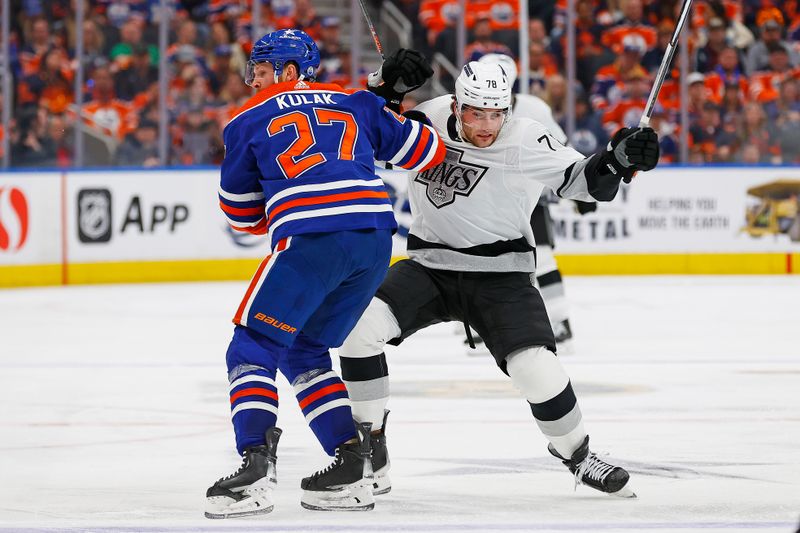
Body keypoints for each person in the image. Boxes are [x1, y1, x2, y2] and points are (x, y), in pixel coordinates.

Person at [340, 60, 659, 498]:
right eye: (475, 113)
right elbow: (362, 137)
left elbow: (586, 182)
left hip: (500, 276)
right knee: (358, 329)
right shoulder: (429, 118)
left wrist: (618, 160)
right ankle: (368, 448)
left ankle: (579, 457)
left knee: (538, 370)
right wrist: (383, 90)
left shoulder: (528, 137)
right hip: (428, 266)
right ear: (456, 106)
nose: (487, 125)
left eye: (496, 113)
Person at [205, 29, 443, 518]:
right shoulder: (356, 103)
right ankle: (355, 464)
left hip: (312, 239)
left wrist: (286, 204)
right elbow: (427, 151)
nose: (255, 80)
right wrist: (393, 105)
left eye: (264, 70)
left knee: (250, 345)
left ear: (290, 72)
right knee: (303, 348)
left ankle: (254, 467)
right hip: (376, 241)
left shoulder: (245, 122)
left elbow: (241, 216)